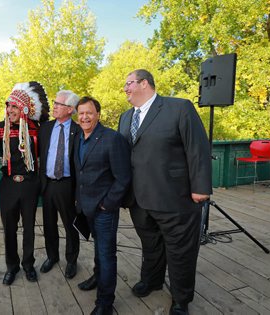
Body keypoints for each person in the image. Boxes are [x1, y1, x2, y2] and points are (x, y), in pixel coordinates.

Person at [118, 69, 212, 315]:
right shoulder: (125, 117)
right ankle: (152, 280)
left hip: (175, 197)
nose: (125, 88)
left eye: (129, 83)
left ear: (145, 83)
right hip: (138, 199)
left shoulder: (179, 108)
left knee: (180, 251)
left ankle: (181, 299)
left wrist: (200, 188)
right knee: (150, 244)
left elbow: (198, 148)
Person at [0, 81, 49, 286]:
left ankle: (28, 265)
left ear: (22, 108)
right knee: (9, 229)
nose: (10, 110)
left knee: (29, 228)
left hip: (30, 184)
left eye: (14, 106)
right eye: (8, 106)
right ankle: (12, 267)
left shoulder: (35, 129)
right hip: (9, 185)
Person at [74, 96, 131, 315]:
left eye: (89, 113)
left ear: (98, 114)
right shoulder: (79, 137)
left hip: (104, 209)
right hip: (86, 207)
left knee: (107, 255)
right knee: (98, 249)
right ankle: (98, 278)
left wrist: (107, 204)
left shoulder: (112, 138)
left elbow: (123, 177)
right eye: (81, 113)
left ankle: (105, 303)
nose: (84, 117)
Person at [38, 90, 81, 279]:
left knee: (70, 225)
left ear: (70, 109)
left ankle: (71, 260)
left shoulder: (79, 131)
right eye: (54, 103)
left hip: (67, 184)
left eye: (59, 104)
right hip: (47, 183)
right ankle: (52, 256)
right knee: (49, 224)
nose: (54, 106)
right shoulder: (45, 128)